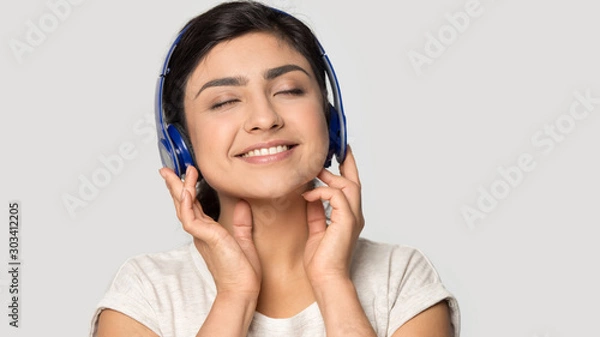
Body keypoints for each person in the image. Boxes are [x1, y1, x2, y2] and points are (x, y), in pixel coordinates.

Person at [89, 1, 460, 336]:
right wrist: (234, 297)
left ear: (331, 122)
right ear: (181, 147)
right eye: (225, 101)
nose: (264, 119)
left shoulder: (402, 280)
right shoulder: (144, 296)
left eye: (288, 90)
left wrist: (333, 283)